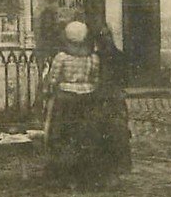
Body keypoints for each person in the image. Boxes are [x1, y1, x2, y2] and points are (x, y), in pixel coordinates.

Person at [43, 20, 100, 187]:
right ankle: (84, 174)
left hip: (65, 100)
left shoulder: (62, 57)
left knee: (63, 136)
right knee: (84, 136)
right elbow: (95, 79)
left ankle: (65, 175)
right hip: (87, 99)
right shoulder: (92, 57)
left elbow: (52, 80)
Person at [94, 24, 132, 178]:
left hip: (108, 98)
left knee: (113, 130)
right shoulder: (115, 56)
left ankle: (112, 167)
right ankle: (114, 167)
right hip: (110, 97)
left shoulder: (97, 57)